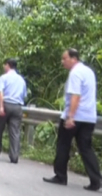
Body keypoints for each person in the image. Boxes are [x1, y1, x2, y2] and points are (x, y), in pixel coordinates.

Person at [43, 48, 101, 191]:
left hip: (75, 116)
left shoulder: (75, 73)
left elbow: (76, 96)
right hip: (89, 117)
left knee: (63, 145)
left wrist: (70, 117)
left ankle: (60, 176)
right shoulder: (88, 71)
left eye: (64, 59)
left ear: (73, 58)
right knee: (86, 148)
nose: (62, 62)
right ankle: (96, 180)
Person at [0, 58, 27, 164]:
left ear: (8, 65)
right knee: (15, 132)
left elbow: (0, 92)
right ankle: (14, 156)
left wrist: (1, 107)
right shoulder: (21, 80)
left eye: (5, 65)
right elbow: (24, 95)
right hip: (18, 107)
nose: (4, 67)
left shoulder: (4, 78)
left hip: (6, 105)